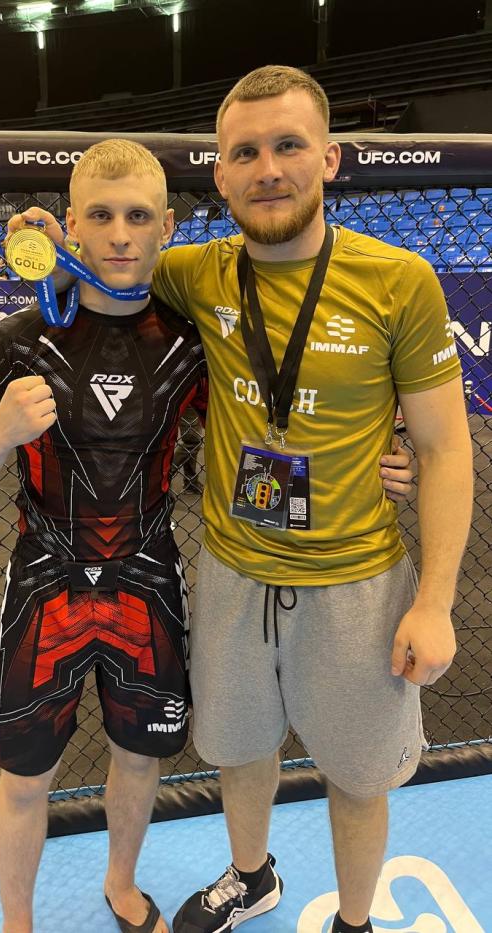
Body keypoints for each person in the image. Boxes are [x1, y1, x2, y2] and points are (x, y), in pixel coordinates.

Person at [0, 138, 413, 933]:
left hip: (148, 579)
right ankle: (16, 923)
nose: (120, 235)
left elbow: (273, 425)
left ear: (166, 228)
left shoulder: (193, 340)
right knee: (24, 774)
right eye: (99, 216)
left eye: (137, 217)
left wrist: (381, 461)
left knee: (141, 755)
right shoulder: (17, 339)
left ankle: (121, 884)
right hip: (44, 584)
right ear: (70, 226)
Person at [144, 66, 471, 933]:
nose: (268, 169)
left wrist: (436, 602)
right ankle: (252, 877)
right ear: (219, 174)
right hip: (234, 573)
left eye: (288, 145)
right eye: (245, 152)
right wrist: (38, 235)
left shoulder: (399, 279)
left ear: (329, 158)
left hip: (358, 581)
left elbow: (444, 449)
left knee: (360, 777)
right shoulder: (193, 273)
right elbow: (107, 260)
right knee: (239, 750)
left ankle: (355, 922)